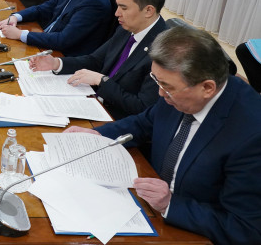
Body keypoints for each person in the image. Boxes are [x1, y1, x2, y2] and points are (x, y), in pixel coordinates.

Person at [65, 27, 261, 244]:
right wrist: (97, 134)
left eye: (166, 87)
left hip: (189, 229)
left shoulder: (251, 135)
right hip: (143, 201)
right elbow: (144, 122)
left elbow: (245, 228)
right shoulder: (179, 88)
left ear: (207, 88)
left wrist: (170, 205)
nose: (159, 93)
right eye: (156, 80)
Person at [30, 0, 167, 119]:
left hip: (115, 119)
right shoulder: (127, 28)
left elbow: (141, 107)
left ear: (148, 10)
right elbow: (95, 61)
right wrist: (57, 63)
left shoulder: (164, 51)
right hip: (93, 103)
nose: (117, 13)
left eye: (124, 8)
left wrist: (102, 81)